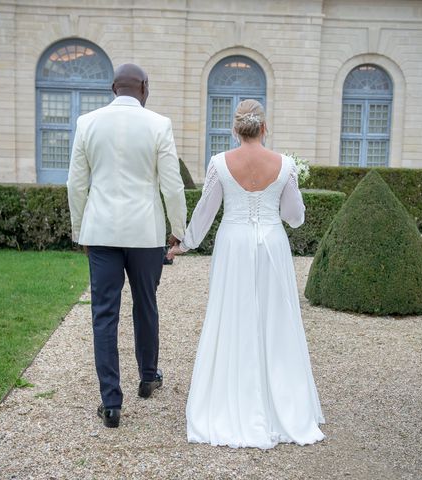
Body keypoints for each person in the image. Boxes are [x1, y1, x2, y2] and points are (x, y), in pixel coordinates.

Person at [168, 99, 325, 448]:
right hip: (272, 243)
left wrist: (185, 242)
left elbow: (206, 212)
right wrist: (288, 187)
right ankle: (282, 405)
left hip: (233, 245)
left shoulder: (219, 163)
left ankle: (229, 400)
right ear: (264, 128)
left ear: (235, 129)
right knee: (276, 319)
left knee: (230, 316)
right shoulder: (284, 165)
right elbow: (294, 216)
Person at [67, 63, 187, 428]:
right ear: (145, 88)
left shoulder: (87, 123)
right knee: (146, 304)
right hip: (145, 233)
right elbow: (172, 185)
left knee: (104, 314)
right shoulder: (158, 124)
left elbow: (76, 185)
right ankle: (148, 377)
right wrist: (178, 230)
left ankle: (111, 403)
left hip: (101, 232)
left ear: (112, 88)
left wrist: (79, 232)